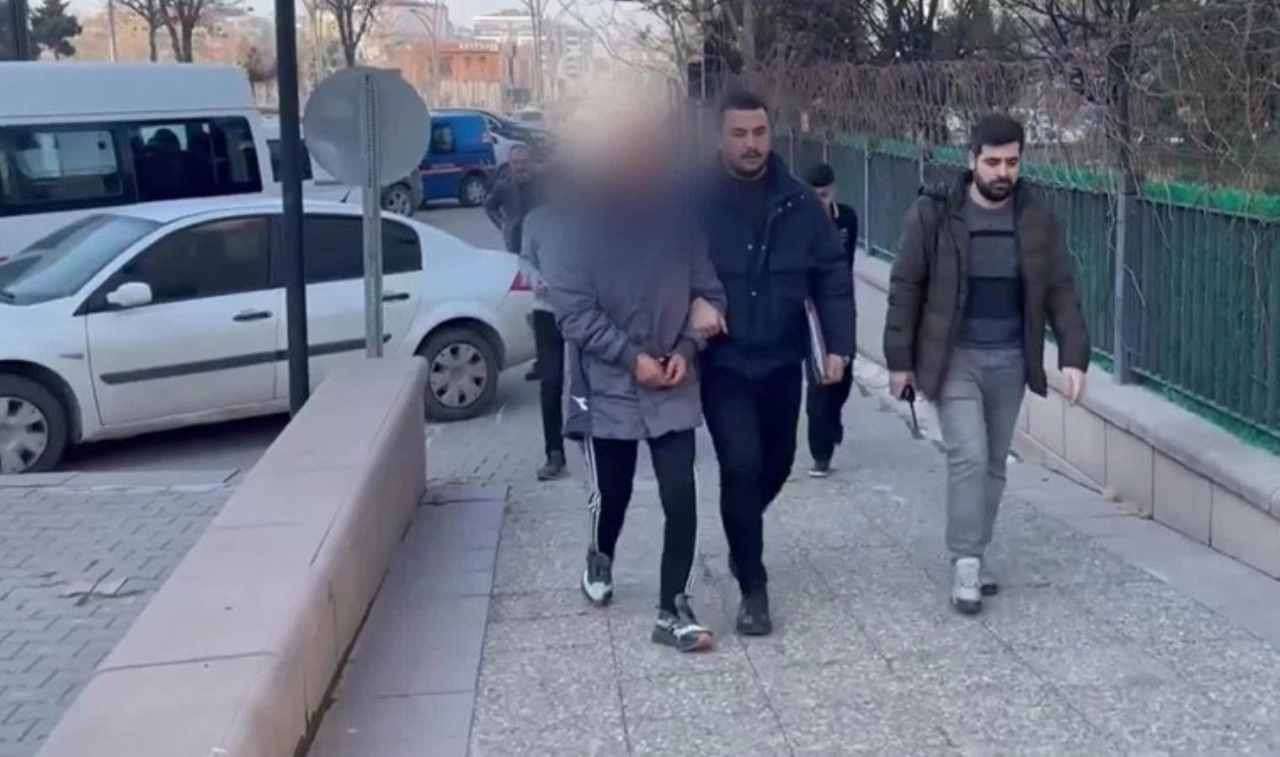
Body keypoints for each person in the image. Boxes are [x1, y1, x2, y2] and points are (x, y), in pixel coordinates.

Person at [883, 113, 1090, 615]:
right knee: (969, 456)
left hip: (1011, 358)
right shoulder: (935, 213)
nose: (1003, 172)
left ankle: (976, 549)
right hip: (954, 357)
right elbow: (906, 285)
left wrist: (1073, 355)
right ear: (972, 159)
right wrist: (899, 361)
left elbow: (1059, 287)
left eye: (1012, 163)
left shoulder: (1036, 217)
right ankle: (966, 560)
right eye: (993, 162)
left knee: (995, 463)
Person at [544, 113, 728, 653]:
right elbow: (573, 314)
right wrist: (631, 357)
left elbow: (710, 295)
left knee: (681, 496)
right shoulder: (576, 231)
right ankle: (600, 555)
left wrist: (688, 349)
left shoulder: (681, 226)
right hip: (608, 389)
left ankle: (673, 608)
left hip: (672, 383)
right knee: (615, 493)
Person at [697, 91, 856, 636]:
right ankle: (753, 587)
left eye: (759, 133)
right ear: (720, 136)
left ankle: (741, 529)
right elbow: (665, 265)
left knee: (779, 462)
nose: (751, 144)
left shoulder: (798, 202)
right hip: (723, 361)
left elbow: (831, 277)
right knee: (741, 464)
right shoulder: (693, 198)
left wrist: (839, 345)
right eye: (739, 134)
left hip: (783, 358)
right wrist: (690, 304)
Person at [802, 163, 859, 477]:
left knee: (844, 376)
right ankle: (820, 453)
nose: (818, 203)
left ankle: (833, 417)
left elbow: (848, 261)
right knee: (820, 379)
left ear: (833, 192)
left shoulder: (847, 218)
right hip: (810, 308)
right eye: (812, 197)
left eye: (823, 196)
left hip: (841, 302)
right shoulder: (795, 223)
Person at [520, 198, 570, 481]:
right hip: (546, 312)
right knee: (551, 384)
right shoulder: (535, 219)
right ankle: (554, 452)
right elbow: (525, 260)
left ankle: (599, 442)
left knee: (589, 382)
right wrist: (533, 277)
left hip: (584, 310)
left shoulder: (594, 216)